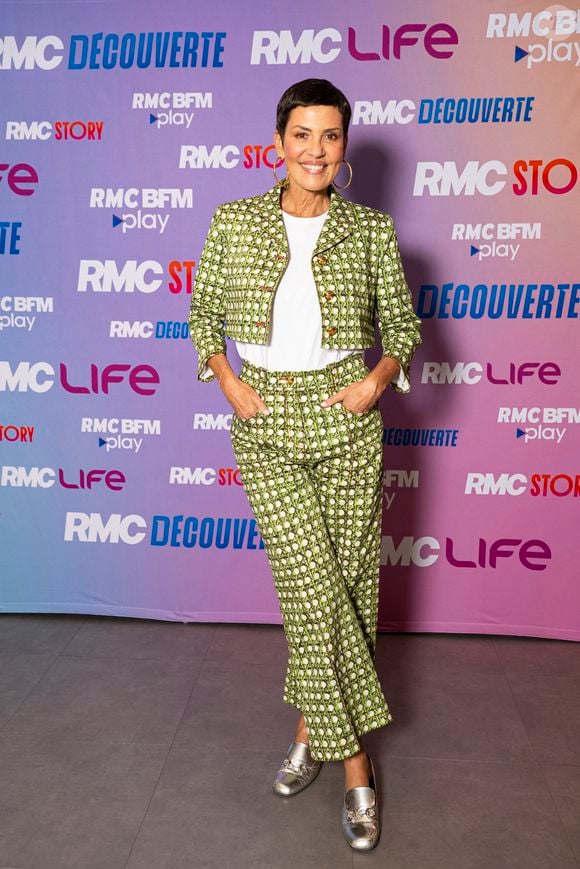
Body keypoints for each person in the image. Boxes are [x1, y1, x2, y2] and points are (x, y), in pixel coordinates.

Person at [188, 78, 422, 851]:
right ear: (278, 142)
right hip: (264, 421)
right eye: (302, 134)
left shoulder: (371, 231)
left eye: (329, 136)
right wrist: (228, 384)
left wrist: (374, 383)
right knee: (313, 586)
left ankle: (305, 731)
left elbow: (403, 329)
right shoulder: (234, 222)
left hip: (344, 416)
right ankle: (356, 766)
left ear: (344, 147)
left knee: (347, 592)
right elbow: (202, 318)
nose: (315, 149)